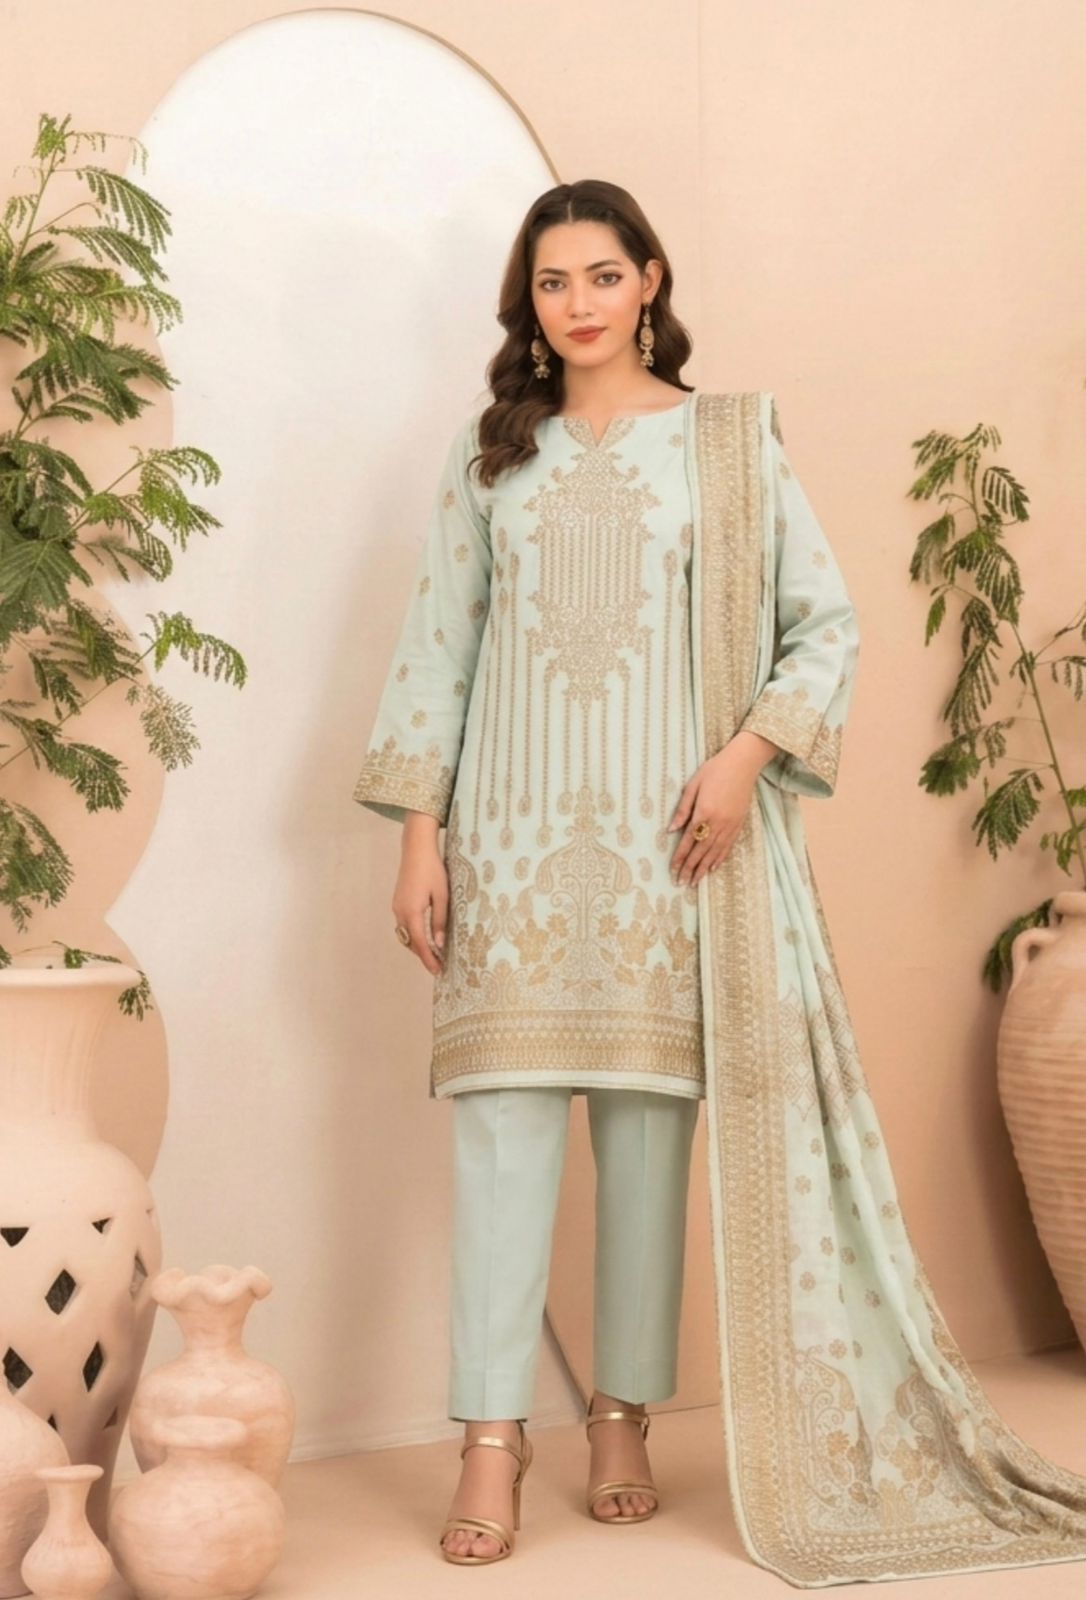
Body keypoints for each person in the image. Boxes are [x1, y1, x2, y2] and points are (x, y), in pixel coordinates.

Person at [353, 181, 1086, 1583]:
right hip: (509, 843)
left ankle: (620, 1417)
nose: (576, 301)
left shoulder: (728, 445)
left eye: (600, 273)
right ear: (529, 304)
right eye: (551, 281)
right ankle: (490, 1440)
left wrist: (747, 760)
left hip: (670, 848)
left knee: (645, 1140)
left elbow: (825, 625)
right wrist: (417, 837)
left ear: (650, 280)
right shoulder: (491, 454)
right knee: (500, 1137)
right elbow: (438, 645)